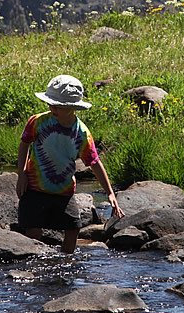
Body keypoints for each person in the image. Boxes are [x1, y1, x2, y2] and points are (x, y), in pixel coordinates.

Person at [16, 74, 124, 253]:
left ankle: (67, 264)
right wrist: (22, 174)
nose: (51, 107)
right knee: (33, 230)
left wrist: (110, 193)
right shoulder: (38, 122)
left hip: (64, 192)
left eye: (57, 106)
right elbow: (24, 144)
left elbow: (94, 163)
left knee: (73, 228)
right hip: (34, 188)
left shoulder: (81, 133)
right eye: (50, 103)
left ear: (72, 108)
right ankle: (29, 266)